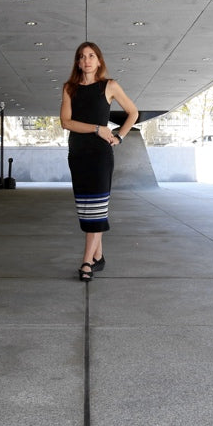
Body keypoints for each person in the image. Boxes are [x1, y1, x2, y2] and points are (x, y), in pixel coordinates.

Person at [60, 41, 139, 282]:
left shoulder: (110, 86)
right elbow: (66, 122)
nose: (87, 60)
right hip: (78, 155)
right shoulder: (69, 88)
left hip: (100, 157)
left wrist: (120, 137)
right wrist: (97, 128)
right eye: (82, 56)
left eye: (91, 56)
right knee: (87, 210)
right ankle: (99, 256)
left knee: (96, 209)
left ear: (99, 60)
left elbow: (133, 113)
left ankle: (86, 262)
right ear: (78, 61)